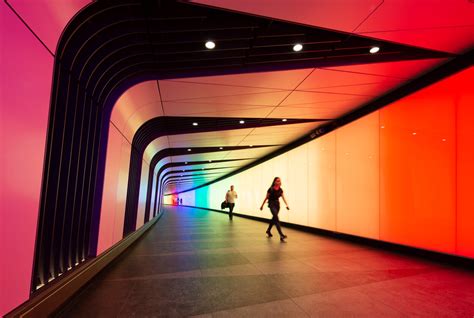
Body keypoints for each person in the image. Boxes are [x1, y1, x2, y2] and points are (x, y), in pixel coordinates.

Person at [260, 177, 290, 242]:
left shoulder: (280, 190)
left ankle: (268, 230)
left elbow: (283, 198)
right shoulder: (270, 189)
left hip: (277, 205)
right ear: (274, 182)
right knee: (276, 219)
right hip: (271, 204)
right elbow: (266, 198)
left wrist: (286, 205)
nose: (278, 182)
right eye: (277, 181)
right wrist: (262, 205)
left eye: (279, 181)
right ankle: (281, 235)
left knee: (274, 218)